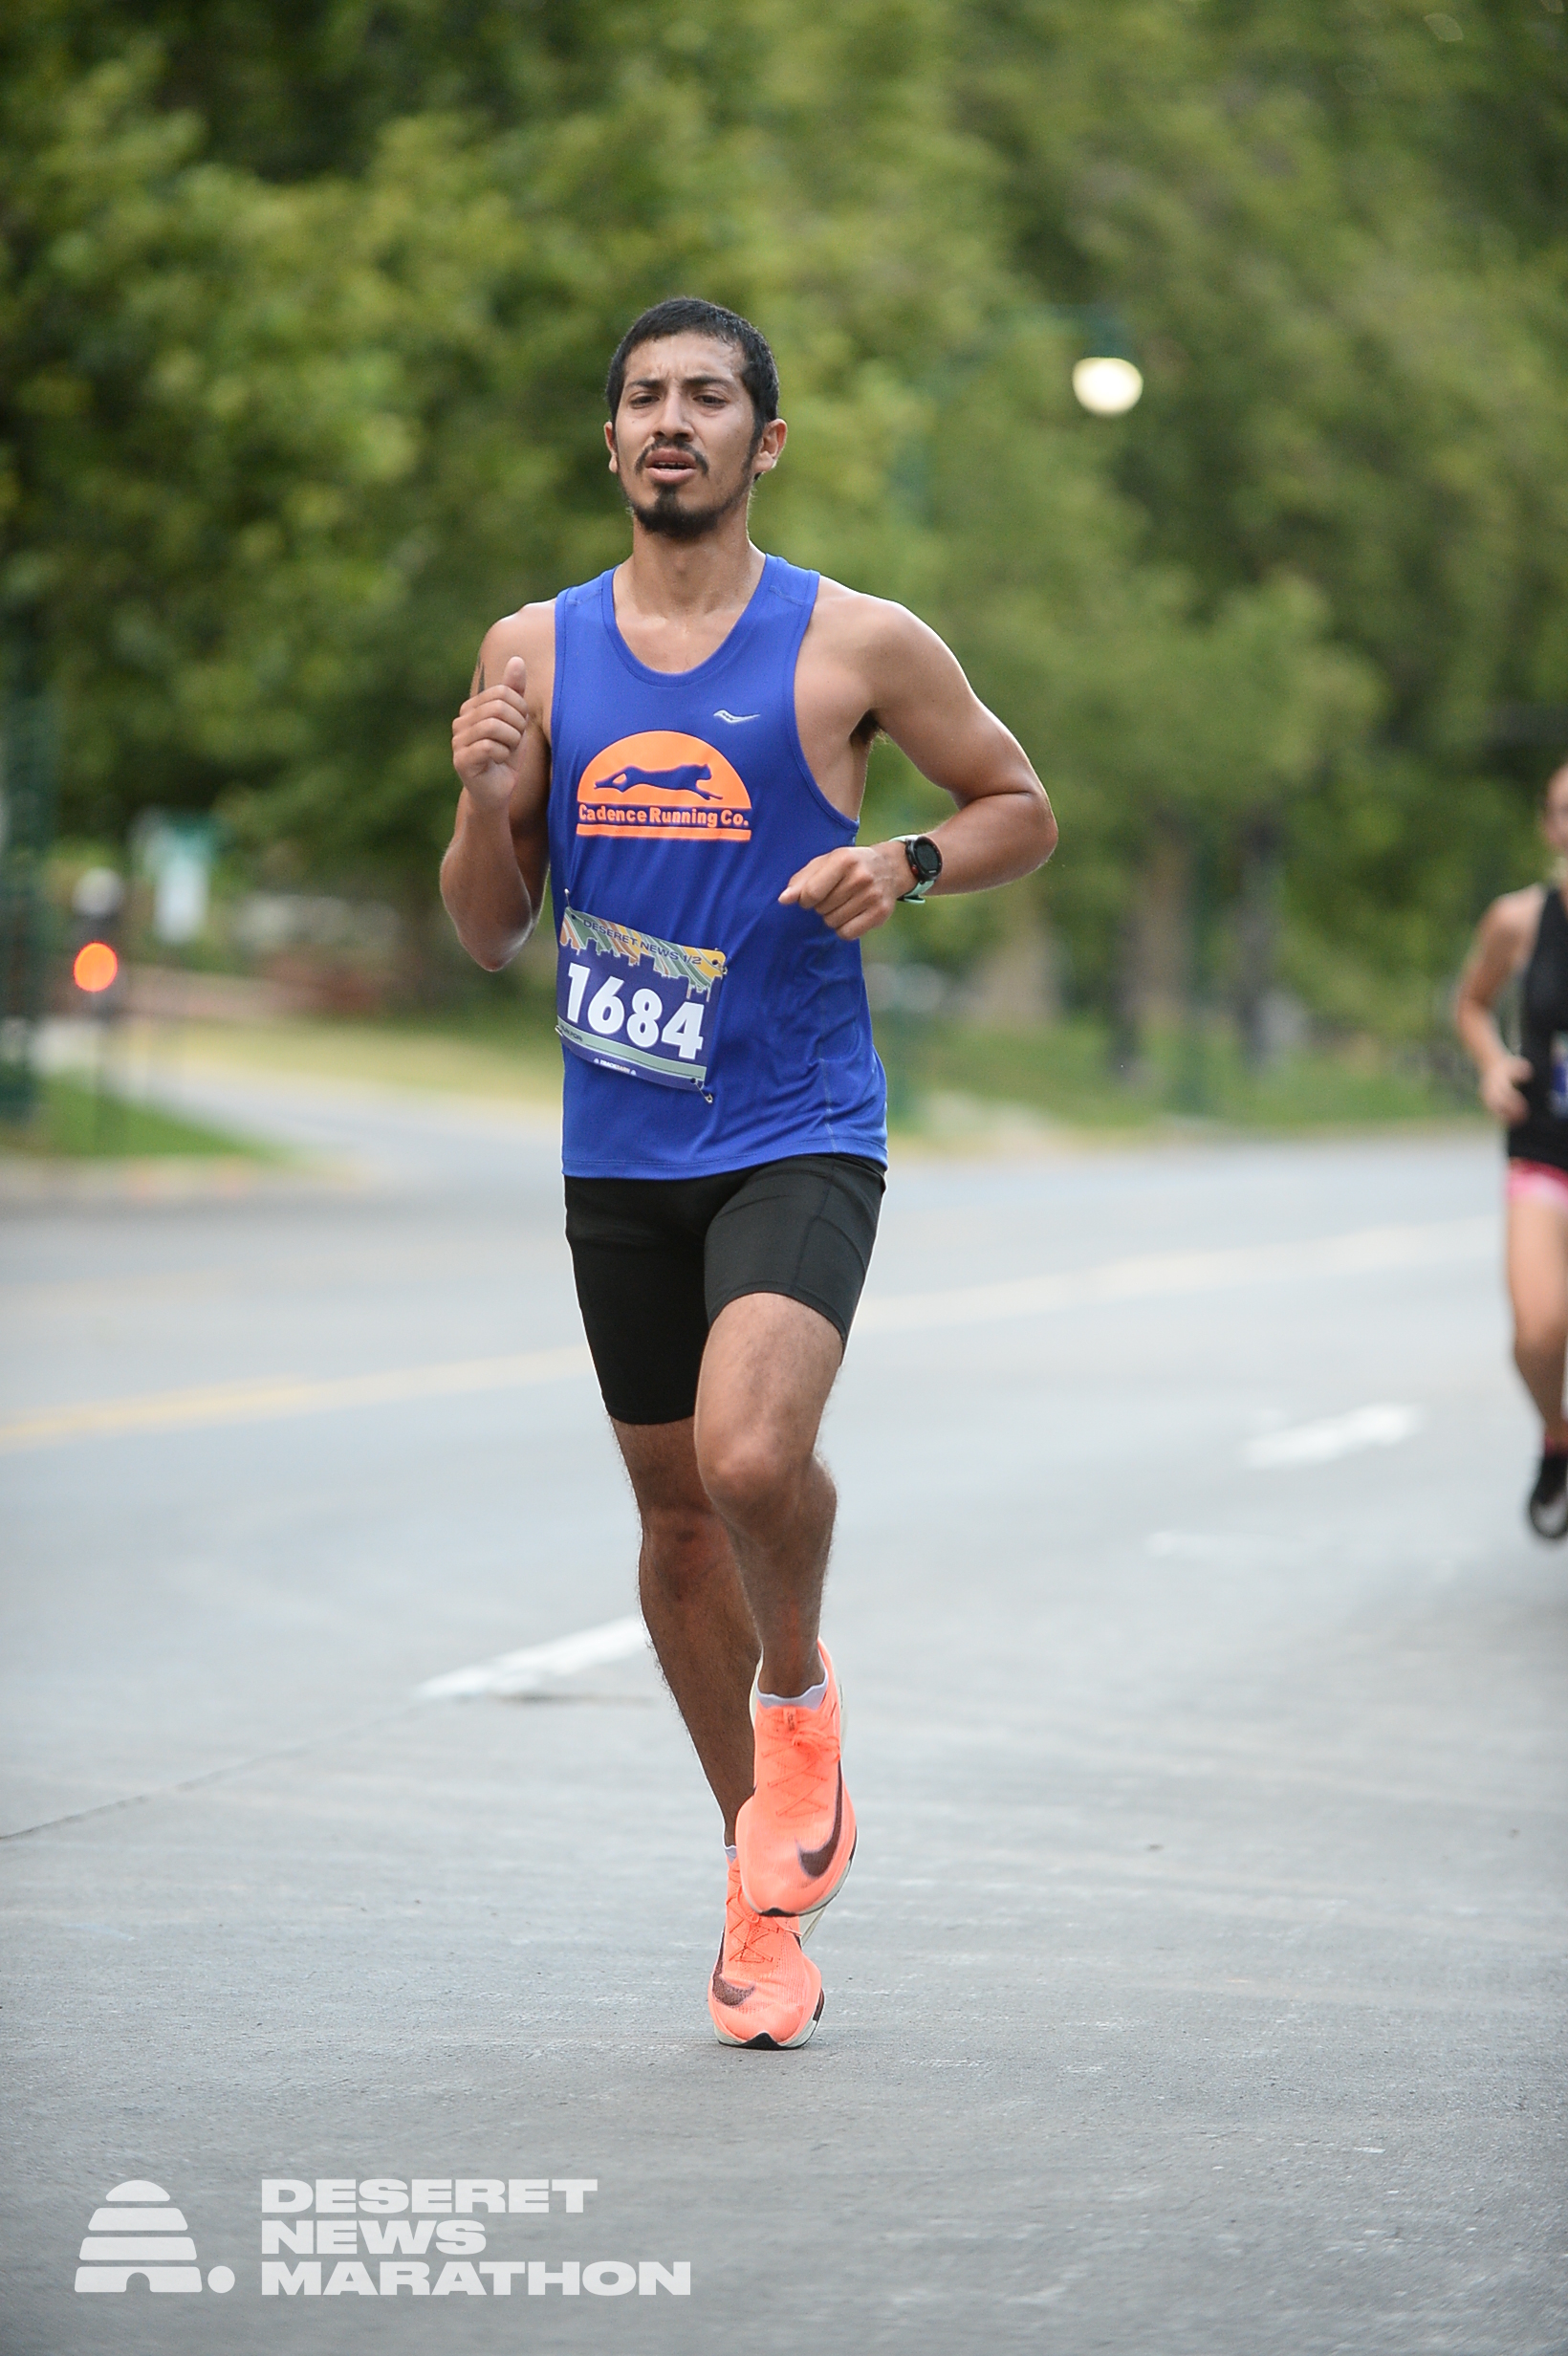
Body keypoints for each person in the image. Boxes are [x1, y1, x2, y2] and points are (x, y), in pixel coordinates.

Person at [441, 296, 1057, 2047]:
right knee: (672, 1524)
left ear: (762, 441)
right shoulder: (534, 650)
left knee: (751, 1455)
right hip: (619, 1143)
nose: (672, 420)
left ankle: (802, 1704)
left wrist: (906, 860)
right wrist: (484, 800)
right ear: (610, 439)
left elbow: (1019, 803)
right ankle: (758, 1888)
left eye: (708, 396)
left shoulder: (856, 642)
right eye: (643, 396)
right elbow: (487, 929)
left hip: (797, 1121)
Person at [1456, 759, 1568, 1538]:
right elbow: (1472, 1003)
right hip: (1544, 1147)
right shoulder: (1520, 921)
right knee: (1537, 1331)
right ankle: (1557, 1435)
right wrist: (1494, 1063)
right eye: (1564, 811)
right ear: (1548, 824)